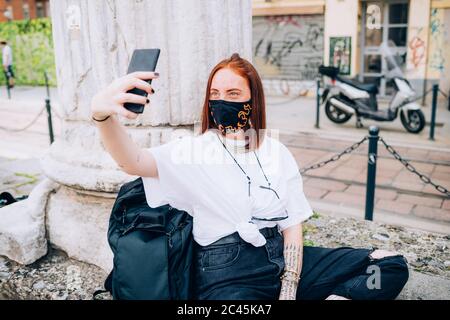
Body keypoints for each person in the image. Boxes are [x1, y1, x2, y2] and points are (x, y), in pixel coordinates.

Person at [90, 53, 409, 300]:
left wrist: (289, 288)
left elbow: (292, 225)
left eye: (233, 93)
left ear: (252, 100)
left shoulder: (276, 152)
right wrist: (102, 115)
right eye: (215, 93)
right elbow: (133, 161)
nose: (222, 101)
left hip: (281, 263)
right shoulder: (193, 150)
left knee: (386, 266)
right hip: (226, 274)